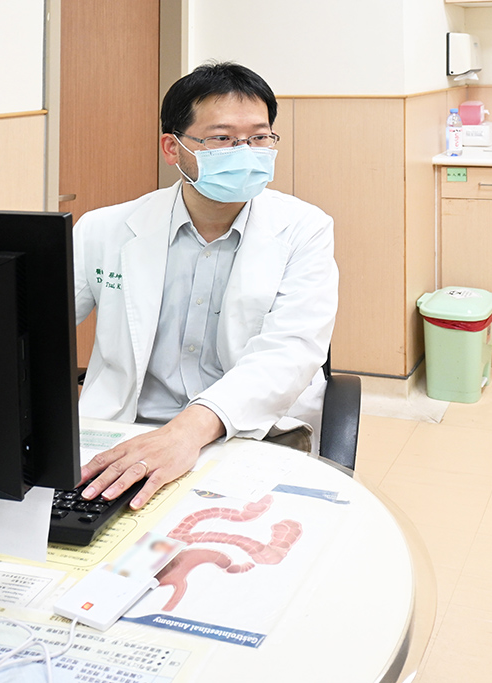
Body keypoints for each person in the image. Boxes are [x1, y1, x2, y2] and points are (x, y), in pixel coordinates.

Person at [72, 62, 338, 511]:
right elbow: (36, 326)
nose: (245, 153)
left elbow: (290, 351)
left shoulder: (304, 228)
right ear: (172, 148)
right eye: (222, 139)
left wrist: (186, 432)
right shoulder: (104, 229)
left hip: (251, 430)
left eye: (259, 138)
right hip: (124, 429)